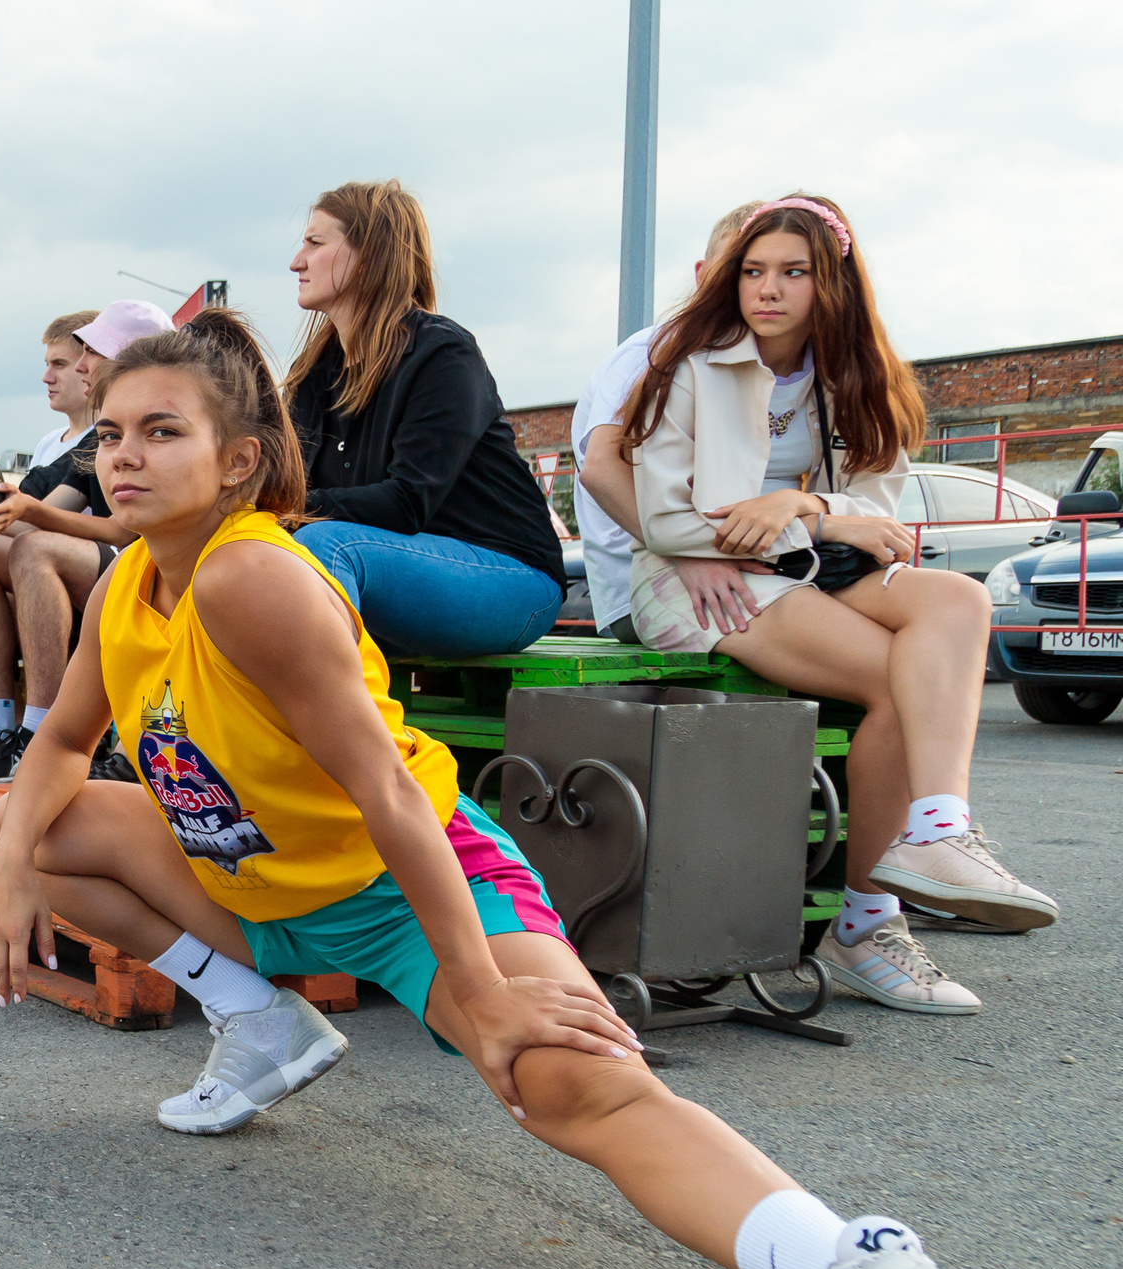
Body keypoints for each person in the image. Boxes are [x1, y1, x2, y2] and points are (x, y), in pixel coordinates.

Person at [0, 320, 1032, 1269]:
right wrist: (8, 869)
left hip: (404, 883)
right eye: (108, 435)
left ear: (237, 460)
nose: (122, 457)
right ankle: (262, 1024)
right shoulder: (129, 579)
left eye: (160, 432)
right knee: (44, 827)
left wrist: (475, 982)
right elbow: (53, 748)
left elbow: (389, 797)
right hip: (255, 884)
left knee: (564, 1076)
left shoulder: (250, 579)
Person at [618, 194, 1058, 1010]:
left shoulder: (859, 373)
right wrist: (797, 518)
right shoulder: (690, 363)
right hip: (699, 577)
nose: (768, 289)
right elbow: (667, 517)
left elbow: (877, 518)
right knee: (894, 677)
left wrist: (798, 505)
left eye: (794, 272)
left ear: (835, 283)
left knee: (958, 602)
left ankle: (939, 828)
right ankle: (868, 924)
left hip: (810, 557)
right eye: (754, 271)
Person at [283, 181, 567, 656]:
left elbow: (407, 502)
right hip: (388, 568)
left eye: (314, 243)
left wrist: (283, 512)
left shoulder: (441, 353)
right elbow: (286, 486)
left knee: (324, 545)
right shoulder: (314, 373)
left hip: (512, 578)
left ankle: (334, 724)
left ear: (369, 253)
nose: (297, 261)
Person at [0, 302, 172, 782]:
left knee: (32, 549)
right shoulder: (101, 435)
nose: (82, 364)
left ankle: (42, 735)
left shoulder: (152, 426)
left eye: (90, 353)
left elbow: (127, 532)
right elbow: (48, 507)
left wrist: (24, 513)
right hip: (111, 567)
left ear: (133, 357)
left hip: (157, 571)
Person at [572, 203, 769, 642]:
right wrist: (688, 556)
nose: (747, 287)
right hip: (650, 584)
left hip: (725, 568)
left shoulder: (746, 359)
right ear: (703, 274)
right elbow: (601, 471)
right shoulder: (651, 351)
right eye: (736, 270)